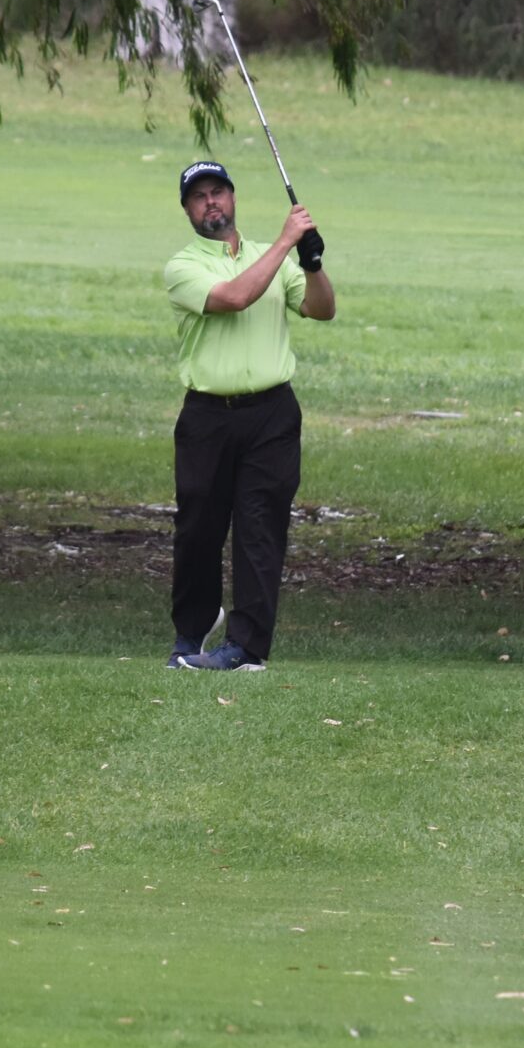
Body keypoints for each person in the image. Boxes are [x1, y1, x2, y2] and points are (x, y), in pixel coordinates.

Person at [162, 159, 334, 670]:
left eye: (218, 192)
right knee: (198, 528)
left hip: (271, 415)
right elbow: (235, 297)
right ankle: (192, 629)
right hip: (207, 417)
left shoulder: (272, 257)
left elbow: (322, 309)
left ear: (233, 198)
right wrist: (286, 242)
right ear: (188, 210)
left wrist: (312, 262)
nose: (211, 202)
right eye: (199, 197)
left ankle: (246, 648)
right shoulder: (183, 267)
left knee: (260, 529)